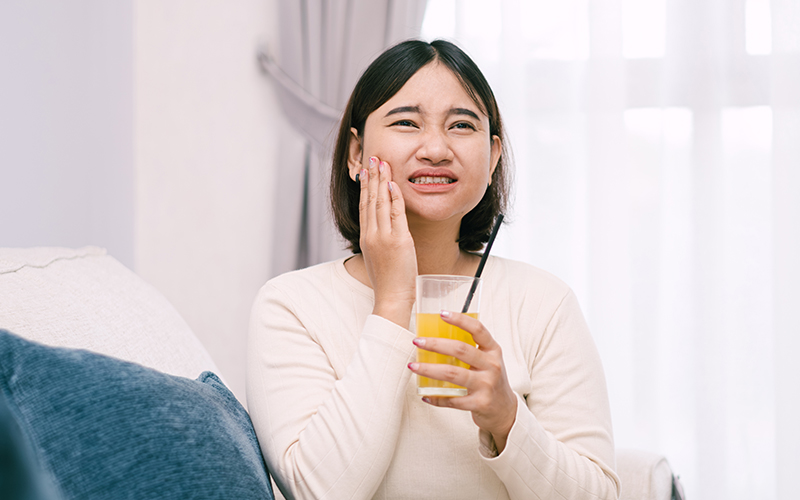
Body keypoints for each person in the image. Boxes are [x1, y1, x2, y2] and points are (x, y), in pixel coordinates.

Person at [247, 39, 620, 500]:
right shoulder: (291, 305)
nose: (436, 148)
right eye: (407, 122)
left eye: (461, 125)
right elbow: (319, 492)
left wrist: (507, 420)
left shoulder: (543, 302)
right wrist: (392, 302)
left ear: (493, 157)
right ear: (355, 153)